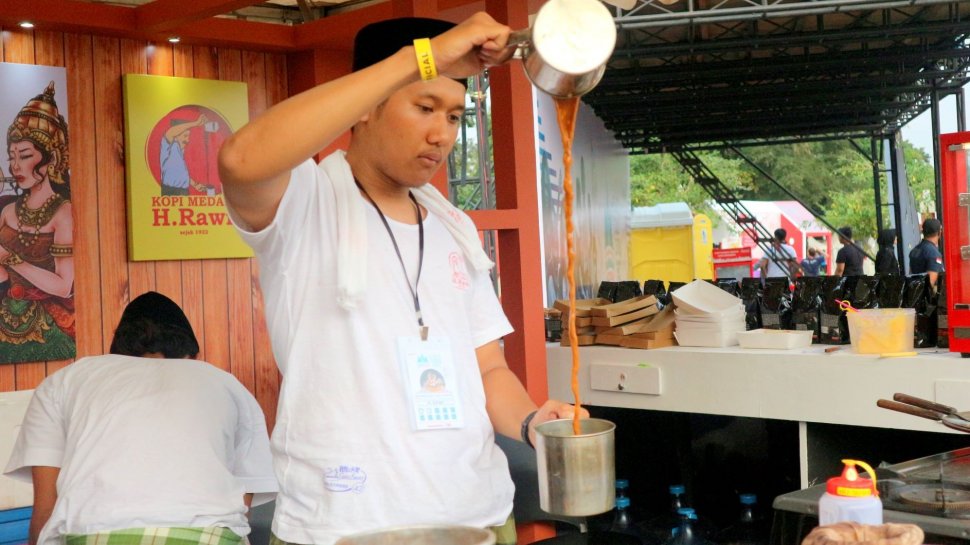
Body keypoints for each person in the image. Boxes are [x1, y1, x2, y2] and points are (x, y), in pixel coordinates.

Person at [218, 14, 586, 545]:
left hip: (475, 514)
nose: (441, 135)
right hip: (346, 524)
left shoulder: (453, 228)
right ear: (367, 106)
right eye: (424, 107)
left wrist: (532, 423)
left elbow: (488, 370)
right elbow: (241, 159)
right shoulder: (305, 203)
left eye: (456, 115)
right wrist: (420, 57)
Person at [3, 291, 277, 545]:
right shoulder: (224, 383)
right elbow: (244, 500)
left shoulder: (66, 379)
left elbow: (45, 512)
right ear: (192, 355)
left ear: (117, 353)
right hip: (208, 536)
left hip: (93, 534)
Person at [0, 82, 75, 364]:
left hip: (48, 324)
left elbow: (63, 286)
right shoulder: (8, 211)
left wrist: (10, 258)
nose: (16, 166)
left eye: (25, 156)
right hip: (6, 314)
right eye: (12, 157)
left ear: (50, 158)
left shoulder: (63, 213)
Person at [161, 112, 213, 196]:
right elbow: (171, 132)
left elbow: (179, 173)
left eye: (188, 136)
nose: (187, 140)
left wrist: (195, 185)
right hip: (171, 192)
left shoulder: (180, 150)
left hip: (183, 191)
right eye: (185, 136)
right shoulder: (168, 145)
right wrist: (196, 123)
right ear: (176, 136)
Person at [909, 218, 944, 289]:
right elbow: (931, 282)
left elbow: (910, 273)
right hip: (926, 297)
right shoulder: (934, 254)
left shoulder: (915, 250)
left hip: (914, 291)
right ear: (939, 233)